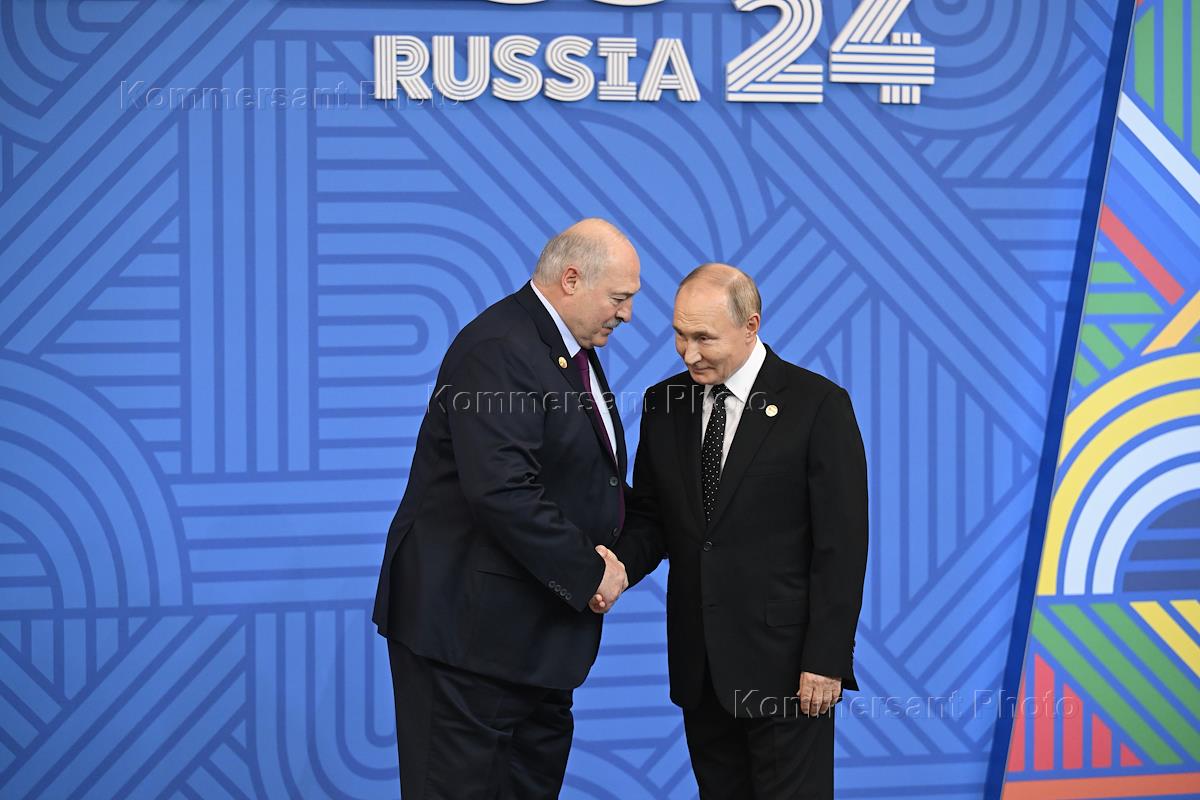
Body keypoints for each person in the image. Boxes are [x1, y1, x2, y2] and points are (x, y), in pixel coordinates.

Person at [372, 218, 640, 798]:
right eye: (619, 298)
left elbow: (584, 477)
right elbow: (502, 489)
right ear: (572, 279)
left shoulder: (563, 348)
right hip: (467, 645)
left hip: (532, 643)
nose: (627, 315)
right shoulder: (500, 348)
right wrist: (589, 572)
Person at [597, 263, 868, 799]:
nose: (688, 353)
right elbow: (652, 517)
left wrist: (826, 660)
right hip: (701, 671)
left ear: (750, 326)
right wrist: (618, 567)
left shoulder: (818, 405)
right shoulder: (663, 403)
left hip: (789, 675)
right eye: (680, 334)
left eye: (704, 338)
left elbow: (842, 546)